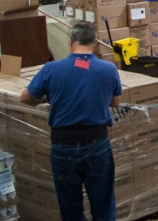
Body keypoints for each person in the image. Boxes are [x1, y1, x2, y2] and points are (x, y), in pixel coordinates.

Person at [20, 21, 122, 221]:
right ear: (94, 42)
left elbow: (25, 97)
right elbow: (115, 101)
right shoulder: (108, 69)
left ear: (70, 42)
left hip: (63, 146)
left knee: (70, 209)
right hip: (97, 145)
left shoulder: (51, 69)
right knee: (103, 207)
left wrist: (45, 98)